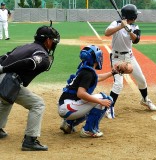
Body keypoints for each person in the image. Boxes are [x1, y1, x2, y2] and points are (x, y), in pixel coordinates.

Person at [0, 22, 60, 151]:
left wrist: (3, 67)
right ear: (48, 41)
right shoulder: (43, 56)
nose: (54, 43)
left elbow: (4, 56)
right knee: (38, 104)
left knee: (7, 100)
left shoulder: (24, 47)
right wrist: (4, 68)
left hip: (4, 80)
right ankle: (30, 140)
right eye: (54, 40)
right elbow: (29, 62)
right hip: (6, 80)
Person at [104, 4, 156, 119]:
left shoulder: (135, 27)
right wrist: (121, 27)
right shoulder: (116, 23)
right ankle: (110, 107)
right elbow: (107, 33)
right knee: (118, 84)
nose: (136, 17)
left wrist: (128, 30)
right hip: (117, 58)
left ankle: (145, 100)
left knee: (142, 80)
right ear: (132, 16)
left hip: (129, 57)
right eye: (135, 15)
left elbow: (136, 40)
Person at [58, 45, 116, 138]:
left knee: (91, 102)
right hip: (69, 108)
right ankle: (88, 130)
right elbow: (80, 94)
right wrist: (101, 101)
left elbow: (97, 78)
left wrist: (113, 72)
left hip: (66, 106)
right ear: (95, 58)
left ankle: (68, 124)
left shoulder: (85, 70)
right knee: (104, 99)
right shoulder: (88, 73)